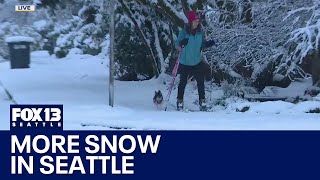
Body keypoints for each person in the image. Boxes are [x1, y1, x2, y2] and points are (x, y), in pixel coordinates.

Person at [175, 10, 215, 111]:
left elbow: (201, 45)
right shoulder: (184, 32)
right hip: (185, 62)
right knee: (182, 83)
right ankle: (179, 102)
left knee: (200, 82)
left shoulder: (200, 33)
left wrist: (207, 44)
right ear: (191, 21)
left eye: (198, 20)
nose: (197, 22)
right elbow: (177, 44)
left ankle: (202, 102)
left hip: (197, 61)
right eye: (195, 20)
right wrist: (182, 43)